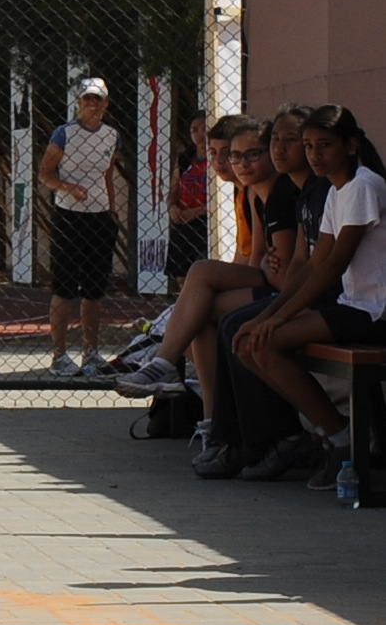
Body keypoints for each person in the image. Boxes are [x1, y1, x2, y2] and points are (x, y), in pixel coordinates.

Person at [221, 106, 386, 486]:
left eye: (324, 145)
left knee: (263, 343)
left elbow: (333, 265)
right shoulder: (336, 192)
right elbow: (312, 265)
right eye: (309, 146)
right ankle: (335, 433)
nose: (314, 154)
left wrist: (278, 318)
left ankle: (341, 438)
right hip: (353, 306)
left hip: (375, 312)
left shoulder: (363, 185)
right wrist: (266, 316)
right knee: (248, 340)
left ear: (351, 145)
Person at [114, 113, 281, 406]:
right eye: (213, 153)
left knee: (201, 277)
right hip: (260, 280)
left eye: (228, 153)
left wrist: (229, 284)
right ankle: (212, 418)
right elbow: (243, 256)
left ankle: (166, 363)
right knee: (196, 317)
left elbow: (257, 260)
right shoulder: (241, 190)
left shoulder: (259, 190)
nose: (220, 161)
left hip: (276, 289)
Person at [39, 77, 129, 378]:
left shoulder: (111, 136)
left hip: (99, 218)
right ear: (79, 102)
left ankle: (91, 351)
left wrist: (112, 208)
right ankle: (59, 355)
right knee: (64, 287)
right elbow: (45, 173)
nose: (92, 103)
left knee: (94, 289)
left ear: (106, 103)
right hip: (69, 216)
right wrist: (68, 187)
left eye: (97, 99)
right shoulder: (64, 134)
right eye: (87, 98)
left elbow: (107, 175)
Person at [166, 109, 209, 285]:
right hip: (183, 221)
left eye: (204, 128)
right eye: (194, 130)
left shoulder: (217, 159)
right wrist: (172, 207)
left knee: (201, 272)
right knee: (181, 275)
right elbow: (173, 190)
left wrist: (196, 212)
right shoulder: (185, 159)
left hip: (205, 221)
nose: (199, 134)